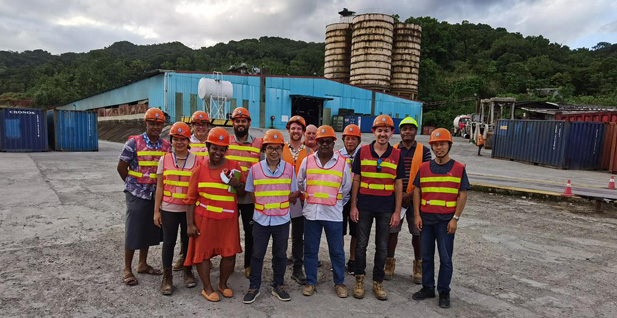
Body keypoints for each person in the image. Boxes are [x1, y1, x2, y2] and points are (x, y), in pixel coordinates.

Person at [183, 127, 246, 302]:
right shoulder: (199, 169)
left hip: (227, 220)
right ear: (208, 147)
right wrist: (190, 224)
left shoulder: (234, 167)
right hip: (204, 220)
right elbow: (190, 199)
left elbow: (242, 193)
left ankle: (223, 284)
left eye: (222, 149)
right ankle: (207, 287)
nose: (218, 152)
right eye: (214, 148)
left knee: (229, 254)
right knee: (202, 254)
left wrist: (237, 184)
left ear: (226, 150)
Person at [411, 128, 470, 309]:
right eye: (435, 144)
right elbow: (417, 191)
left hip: (445, 221)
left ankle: (444, 291)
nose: (439, 148)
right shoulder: (424, 168)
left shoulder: (459, 168)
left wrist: (455, 219)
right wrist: (417, 215)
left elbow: (462, 195)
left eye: (442, 144)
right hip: (426, 220)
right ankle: (428, 287)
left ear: (449, 145)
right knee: (426, 256)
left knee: (445, 258)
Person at [350, 114, 404, 301]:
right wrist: (353, 205)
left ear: (391, 133)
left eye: (386, 130)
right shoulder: (362, 152)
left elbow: (398, 184)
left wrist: (397, 211)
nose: (382, 134)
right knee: (361, 245)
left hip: (385, 208)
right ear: (373, 131)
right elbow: (356, 179)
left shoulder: (397, 155)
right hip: (364, 206)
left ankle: (377, 282)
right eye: (379, 130)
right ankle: (359, 279)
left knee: (382, 246)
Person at [243, 129, 300, 304]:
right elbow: (252, 193)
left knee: (280, 255)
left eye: (277, 148)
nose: (274, 151)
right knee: (257, 254)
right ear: (264, 149)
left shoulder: (289, 169)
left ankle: (279, 285)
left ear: (282, 149)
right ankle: (254, 286)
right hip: (261, 220)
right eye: (270, 148)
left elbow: (294, 193)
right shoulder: (255, 169)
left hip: (281, 219)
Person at [117, 108, 170, 286]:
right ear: (145, 123)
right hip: (137, 193)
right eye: (152, 123)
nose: (155, 127)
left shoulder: (165, 146)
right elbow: (121, 167)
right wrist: (133, 185)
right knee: (134, 229)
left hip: (155, 195)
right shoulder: (134, 143)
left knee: (148, 228)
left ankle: (142, 264)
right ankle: (127, 269)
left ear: (163, 125)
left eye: (159, 124)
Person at [297, 125, 352, 298]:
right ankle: (311, 282)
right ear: (317, 143)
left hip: (333, 215)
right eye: (322, 141)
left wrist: (335, 204)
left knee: (336, 251)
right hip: (312, 213)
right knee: (311, 250)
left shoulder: (342, 163)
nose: (325, 145)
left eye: (328, 142)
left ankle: (339, 282)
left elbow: (347, 189)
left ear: (333, 143)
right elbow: (300, 183)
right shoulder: (307, 160)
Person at [384, 117, 431, 283]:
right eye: (404, 129)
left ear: (415, 131)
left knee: (417, 233)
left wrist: (409, 196)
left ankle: (419, 265)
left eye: (411, 128)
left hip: (415, 199)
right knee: (392, 232)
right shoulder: (393, 150)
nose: (407, 131)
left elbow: (425, 176)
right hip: (395, 199)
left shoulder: (424, 151)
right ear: (400, 132)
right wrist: (399, 197)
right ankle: (389, 263)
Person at [153, 122, 198, 295]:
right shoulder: (164, 160)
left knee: (188, 241)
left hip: (188, 210)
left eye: (183, 139)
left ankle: (188, 271)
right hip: (169, 209)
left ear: (188, 141)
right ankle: (167, 277)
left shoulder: (196, 160)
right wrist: (156, 211)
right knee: (169, 243)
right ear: (171, 140)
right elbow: (159, 187)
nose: (179, 142)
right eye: (176, 139)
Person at [225, 107, 263, 279]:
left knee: (251, 233)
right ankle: (228, 262)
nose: (240, 124)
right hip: (229, 197)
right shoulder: (226, 142)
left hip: (249, 198)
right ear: (233, 123)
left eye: (243, 121)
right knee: (229, 232)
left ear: (249, 123)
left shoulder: (258, 144)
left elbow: (262, 170)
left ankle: (249, 264)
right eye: (237, 121)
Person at [170, 110, 210, 271]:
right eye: (197, 124)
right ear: (191, 125)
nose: (200, 127)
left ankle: (205, 255)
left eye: (204, 124)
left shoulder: (212, 141)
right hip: (188, 191)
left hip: (207, 191)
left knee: (205, 225)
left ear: (208, 126)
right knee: (186, 225)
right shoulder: (186, 142)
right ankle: (184, 255)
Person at [282, 115, 312, 284]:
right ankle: (282, 262)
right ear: (288, 130)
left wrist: (299, 193)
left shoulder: (309, 151)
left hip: (301, 200)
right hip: (282, 199)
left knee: (299, 235)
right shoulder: (281, 149)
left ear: (303, 132)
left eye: (299, 128)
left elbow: (311, 176)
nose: (296, 131)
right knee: (281, 233)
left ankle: (297, 268)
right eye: (293, 128)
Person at [339, 124, 361, 275]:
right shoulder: (337, 155)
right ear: (343, 139)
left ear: (359, 141)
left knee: (356, 232)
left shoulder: (363, 155)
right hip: (341, 200)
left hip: (357, 200)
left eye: (354, 139)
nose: (350, 142)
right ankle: (339, 258)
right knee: (339, 232)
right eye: (348, 138)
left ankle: (352, 259)